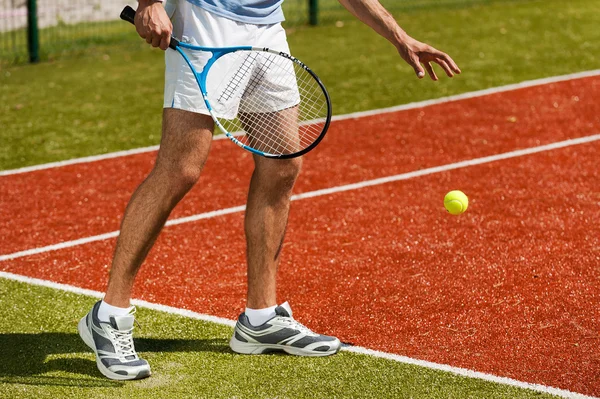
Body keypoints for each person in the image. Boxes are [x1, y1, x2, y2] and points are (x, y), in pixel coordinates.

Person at [78, 0, 461, 380]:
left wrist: (399, 36)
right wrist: (150, 3)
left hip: (265, 26)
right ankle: (109, 315)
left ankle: (260, 318)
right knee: (180, 169)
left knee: (283, 164)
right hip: (205, 19)